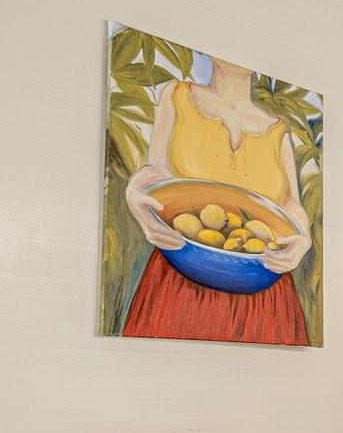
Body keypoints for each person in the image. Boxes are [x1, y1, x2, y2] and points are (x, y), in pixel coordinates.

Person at [120, 56, 314, 345]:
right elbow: (157, 170)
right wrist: (134, 192)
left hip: (263, 291)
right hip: (182, 279)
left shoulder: (278, 131)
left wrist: (304, 240)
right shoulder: (177, 95)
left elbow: (290, 204)